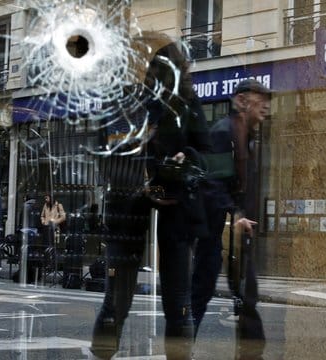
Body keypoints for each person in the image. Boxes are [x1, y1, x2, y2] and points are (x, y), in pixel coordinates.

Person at [90, 32, 212, 360]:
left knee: (179, 302)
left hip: (175, 208)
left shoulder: (185, 101)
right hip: (128, 208)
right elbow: (111, 158)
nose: (184, 72)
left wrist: (186, 161)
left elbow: (207, 153)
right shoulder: (123, 98)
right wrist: (152, 185)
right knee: (117, 302)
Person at [191, 79, 272, 359]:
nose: (265, 105)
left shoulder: (247, 136)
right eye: (258, 98)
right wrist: (235, 215)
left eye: (267, 99)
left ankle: (251, 354)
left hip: (236, 231)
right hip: (214, 229)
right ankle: (179, 349)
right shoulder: (223, 132)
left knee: (247, 297)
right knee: (200, 294)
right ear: (240, 101)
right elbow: (212, 182)